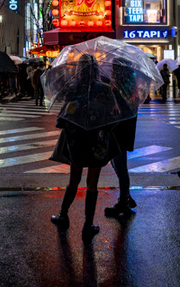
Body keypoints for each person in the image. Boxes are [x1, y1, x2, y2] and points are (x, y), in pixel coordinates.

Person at [51, 54, 119, 242]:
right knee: (92, 184)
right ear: (96, 69)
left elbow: (64, 117)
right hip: (97, 142)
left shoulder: (72, 89)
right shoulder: (105, 89)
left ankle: (63, 215)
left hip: (77, 142)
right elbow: (114, 116)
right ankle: (88, 225)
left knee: (74, 180)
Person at [104, 58, 139, 217]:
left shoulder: (119, 88)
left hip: (119, 132)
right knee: (117, 164)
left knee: (120, 166)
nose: (111, 70)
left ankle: (123, 203)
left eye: (113, 68)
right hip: (124, 131)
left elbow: (116, 111)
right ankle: (126, 196)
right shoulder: (130, 86)